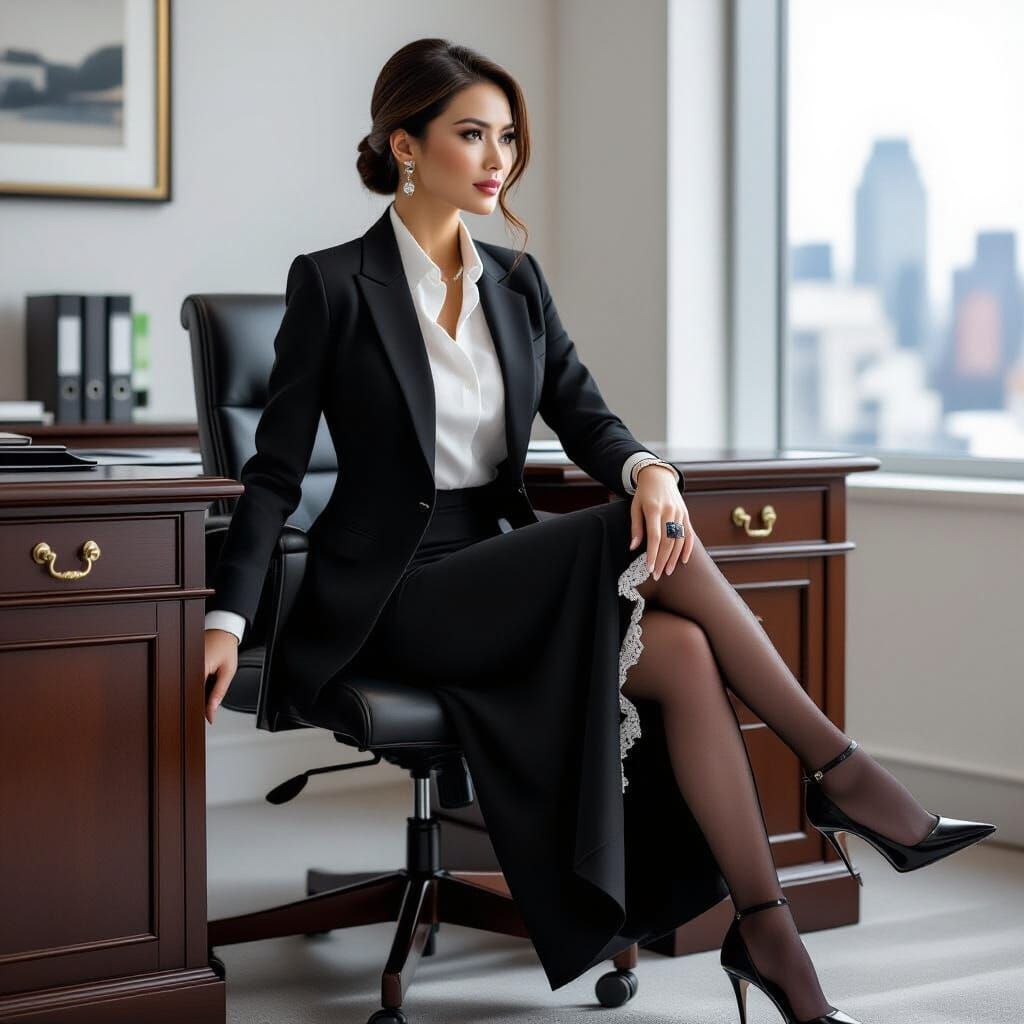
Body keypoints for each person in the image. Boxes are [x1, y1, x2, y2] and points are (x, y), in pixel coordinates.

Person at [203, 37, 997, 1023]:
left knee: (684, 651)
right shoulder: (332, 283)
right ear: (405, 144)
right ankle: (841, 771)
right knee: (629, 533)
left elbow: (588, 418)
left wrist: (650, 469)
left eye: (507, 137)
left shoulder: (516, 283)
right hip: (393, 596)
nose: (498, 159)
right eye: (471, 135)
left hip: (498, 567)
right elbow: (274, 474)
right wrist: (229, 619)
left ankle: (768, 934)